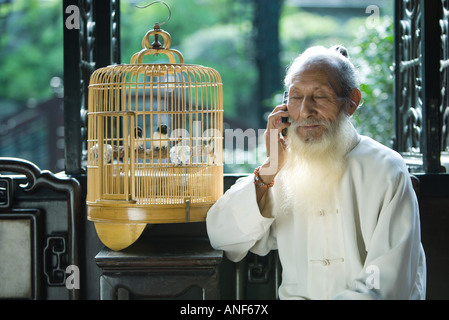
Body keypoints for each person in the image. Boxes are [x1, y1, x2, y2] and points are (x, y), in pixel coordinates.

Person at [206, 45, 426, 300]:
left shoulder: (386, 168)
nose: (306, 110)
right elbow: (222, 237)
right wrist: (269, 168)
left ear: (352, 102)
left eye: (319, 96)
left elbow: (385, 285)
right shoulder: (283, 170)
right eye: (296, 97)